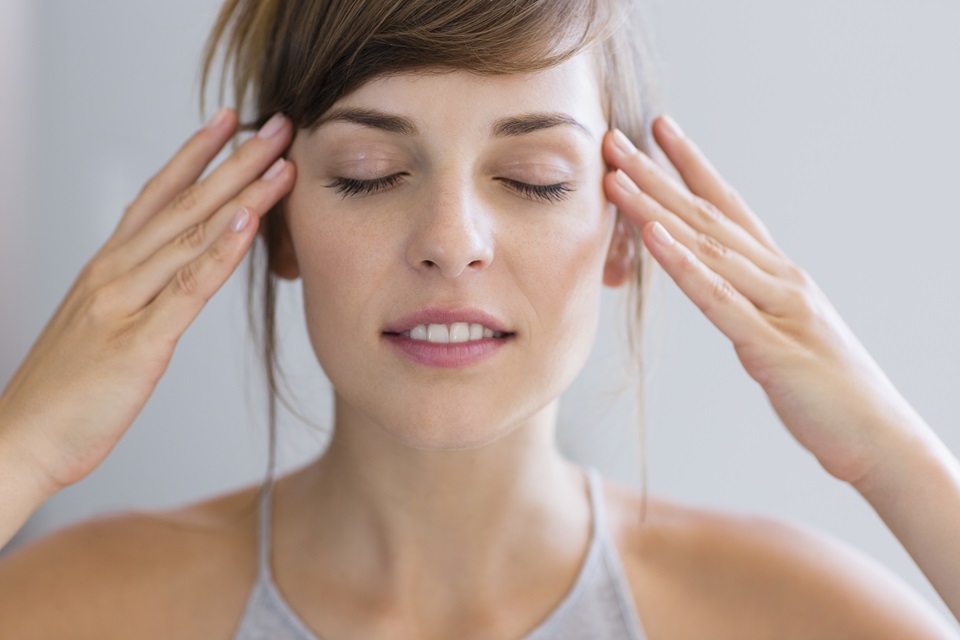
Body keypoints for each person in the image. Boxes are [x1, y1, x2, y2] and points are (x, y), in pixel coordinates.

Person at [0, 0, 958, 637]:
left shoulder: (775, 618)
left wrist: (891, 453)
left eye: (532, 181)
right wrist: (24, 445)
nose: (450, 241)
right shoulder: (87, 607)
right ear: (276, 220)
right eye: (368, 175)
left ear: (627, 230)